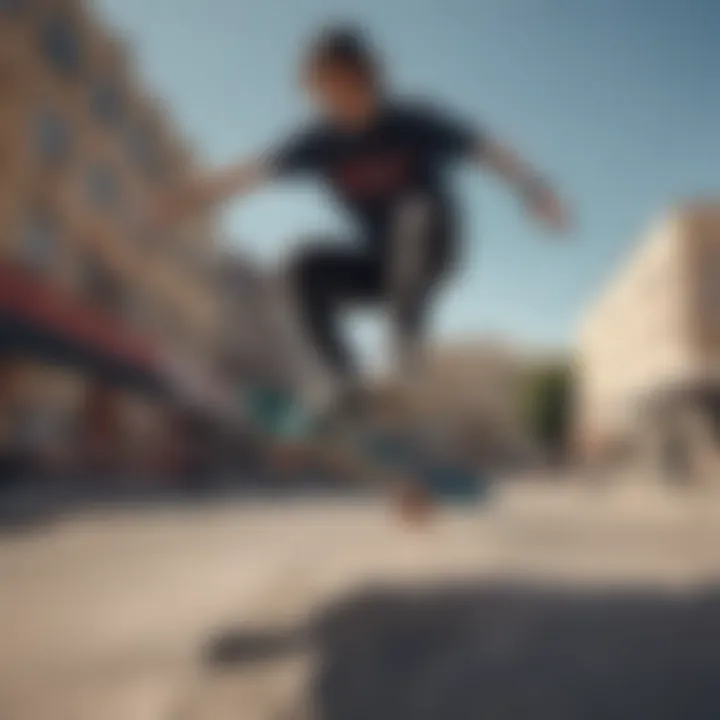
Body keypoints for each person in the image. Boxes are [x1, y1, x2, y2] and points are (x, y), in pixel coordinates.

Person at [154, 25, 569, 421]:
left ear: (369, 78)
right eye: (324, 92)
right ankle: (342, 381)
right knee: (302, 265)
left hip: (432, 249)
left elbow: (488, 151)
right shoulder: (318, 141)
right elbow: (248, 173)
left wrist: (537, 191)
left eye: (344, 86)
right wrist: (184, 200)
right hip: (382, 268)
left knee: (414, 213)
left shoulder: (413, 121)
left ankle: (404, 345)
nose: (336, 101)